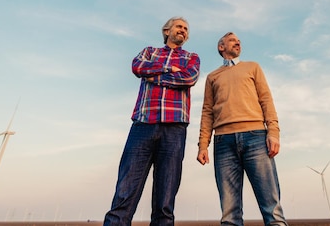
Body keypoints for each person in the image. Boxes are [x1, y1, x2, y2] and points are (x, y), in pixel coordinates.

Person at [104, 17, 200, 226]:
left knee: (165, 199)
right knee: (125, 191)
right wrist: (169, 70)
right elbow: (137, 66)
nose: (183, 30)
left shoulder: (192, 57)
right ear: (167, 31)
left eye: (186, 28)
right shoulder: (149, 52)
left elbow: (188, 78)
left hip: (175, 127)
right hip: (143, 124)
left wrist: (154, 76)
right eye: (179, 26)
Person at [197, 32, 288, 226]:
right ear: (221, 47)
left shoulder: (252, 67)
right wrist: (203, 145)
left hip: (256, 137)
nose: (237, 42)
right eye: (232, 40)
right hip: (223, 142)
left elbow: (266, 100)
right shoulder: (213, 77)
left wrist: (273, 133)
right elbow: (207, 112)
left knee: (271, 207)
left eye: (238, 40)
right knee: (229, 214)